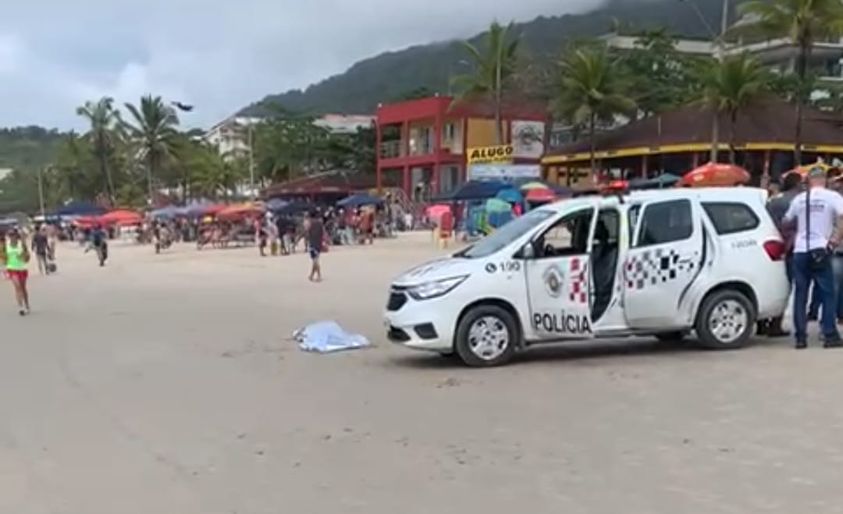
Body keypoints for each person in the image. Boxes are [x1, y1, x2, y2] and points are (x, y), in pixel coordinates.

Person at [783, 167, 843, 349]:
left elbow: (786, 220)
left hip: (800, 250)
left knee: (800, 294)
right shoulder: (832, 197)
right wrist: (834, 241)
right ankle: (829, 334)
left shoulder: (800, 199)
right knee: (828, 293)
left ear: (808, 180)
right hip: (820, 249)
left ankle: (800, 337)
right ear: (824, 180)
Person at [759, 172, 803, 337]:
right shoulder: (798, 201)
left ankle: (762, 323)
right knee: (786, 286)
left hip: (770, 245)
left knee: (768, 283)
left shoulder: (774, 201)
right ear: (798, 184)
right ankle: (776, 323)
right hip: (791, 247)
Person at [3, 229, 31, 316]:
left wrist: (23, 255)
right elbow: (4, 257)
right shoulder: (6, 245)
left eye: (13, 235)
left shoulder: (21, 244)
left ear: (16, 235)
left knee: (23, 288)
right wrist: (4, 265)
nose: (12, 237)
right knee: (17, 286)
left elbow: (27, 256)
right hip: (12, 268)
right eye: (10, 235)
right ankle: (21, 307)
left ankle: (26, 304)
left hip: (22, 268)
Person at [306, 211, 324, 282]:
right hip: (319, 242)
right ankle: (311, 275)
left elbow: (307, 233)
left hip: (312, 242)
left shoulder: (310, 223)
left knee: (315, 260)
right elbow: (322, 233)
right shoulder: (320, 223)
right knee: (315, 259)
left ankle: (319, 275)